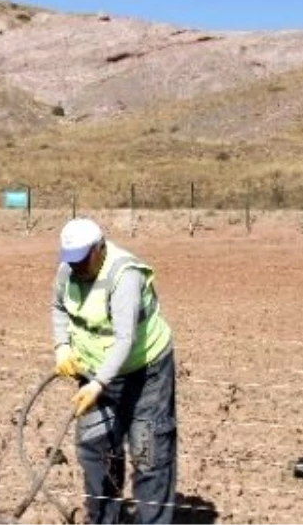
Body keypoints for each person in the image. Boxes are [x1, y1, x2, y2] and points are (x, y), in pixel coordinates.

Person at [51, 217, 177, 525]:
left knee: (149, 456)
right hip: (94, 374)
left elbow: (125, 340)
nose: (75, 267)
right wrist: (62, 346)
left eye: (81, 259)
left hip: (145, 376)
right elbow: (57, 307)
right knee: (96, 453)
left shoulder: (124, 276)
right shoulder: (68, 270)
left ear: (99, 248)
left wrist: (98, 384)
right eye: (71, 260)